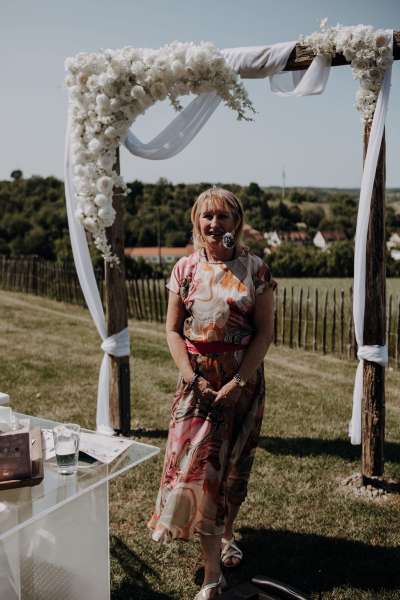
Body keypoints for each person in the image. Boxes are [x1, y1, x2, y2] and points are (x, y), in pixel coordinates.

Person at [148, 187, 276, 599]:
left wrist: (238, 383)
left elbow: (265, 332)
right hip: (197, 386)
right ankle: (211, 576)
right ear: (196, 222)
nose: (215, 224)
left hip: (242, 383)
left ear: (237, 222)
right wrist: (192, 378)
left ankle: (227, 534)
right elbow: (172, 330)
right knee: (204, 475)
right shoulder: (184, 269)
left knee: (234, 471)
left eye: (223, 216)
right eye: (208, 216)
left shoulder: (256, 270)